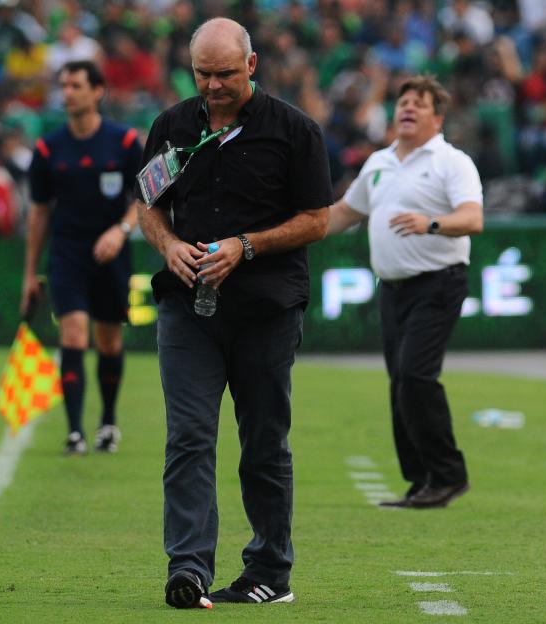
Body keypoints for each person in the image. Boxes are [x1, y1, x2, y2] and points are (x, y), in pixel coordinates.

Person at [135, 17, 331, 609]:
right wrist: (170, 246)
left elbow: (317, 220)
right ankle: (189, 568)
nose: (214, 85)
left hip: (266, 308)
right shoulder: (171, 126)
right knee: (189, 437)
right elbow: (148, 205)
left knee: (263, 443)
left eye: (224, 73)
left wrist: (243, 247)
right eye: (203, 73)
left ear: (251, 65)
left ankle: (270, 569)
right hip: (187, 308)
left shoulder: (295, 132)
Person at [328, 75, 483, 510]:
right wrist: (284, 233)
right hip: (392, 287)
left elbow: (472, 218)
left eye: (420, 103)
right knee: (401, 383)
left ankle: (449, 475)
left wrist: (429, 222)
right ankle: (422, 480)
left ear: (439, 117)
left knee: (415, 376)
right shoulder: (379, 163)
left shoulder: (451, 162)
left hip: (438, 280)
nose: (408, 109)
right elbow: (343, 213)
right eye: (403, 102)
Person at [21, 60, 142, 455]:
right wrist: (30, 273)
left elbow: (144, 201)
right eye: (64, 85)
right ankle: (74, 431)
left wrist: (120, 230)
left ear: (98, 91)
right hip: (67, 253)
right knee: (73, 333)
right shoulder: (47, 148)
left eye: (75, 85)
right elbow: (39, 212)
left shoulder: (124, 143)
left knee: (108, 341)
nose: (67, 92)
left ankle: (108, 421)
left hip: (111, 253)